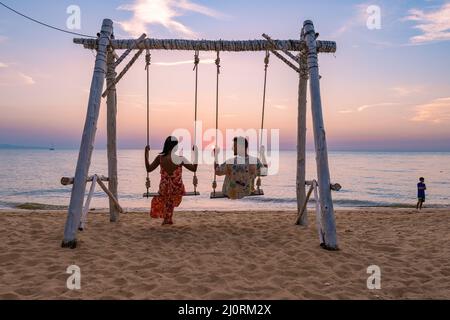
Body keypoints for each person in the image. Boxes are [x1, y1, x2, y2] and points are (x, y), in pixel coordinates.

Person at [145, 136, 198, 225]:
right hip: (177, 188)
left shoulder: (160, 158)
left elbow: (149, 169)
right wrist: (196, 153)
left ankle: (167, 219)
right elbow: (194, 169)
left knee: (166, 197)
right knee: (170, 198)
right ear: (175, 147)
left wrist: (146, 154)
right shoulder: (180, 159)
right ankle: (168, 219)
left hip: (164, 188)